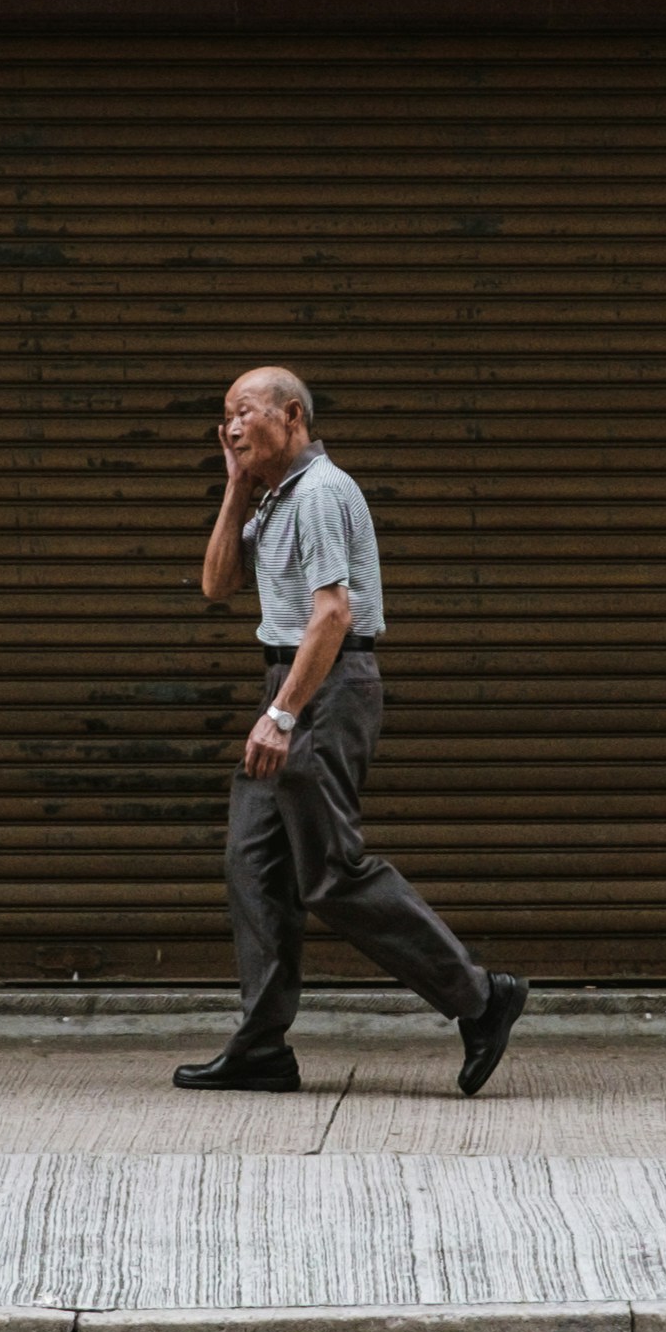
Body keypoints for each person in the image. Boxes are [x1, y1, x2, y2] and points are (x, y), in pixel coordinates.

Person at [175, 366, 525, 1098]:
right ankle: (262, 1048)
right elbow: (216, 584)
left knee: (330, 873)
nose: (231, 427)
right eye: (225, 416)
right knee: (253, 864)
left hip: (324, 687)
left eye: (245, 412)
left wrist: (282, 715)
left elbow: (333, 614)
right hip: (291, 682)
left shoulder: (321, 492)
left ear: (291, 416)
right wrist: (235, 486)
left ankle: (481, 997)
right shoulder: (275, 495)